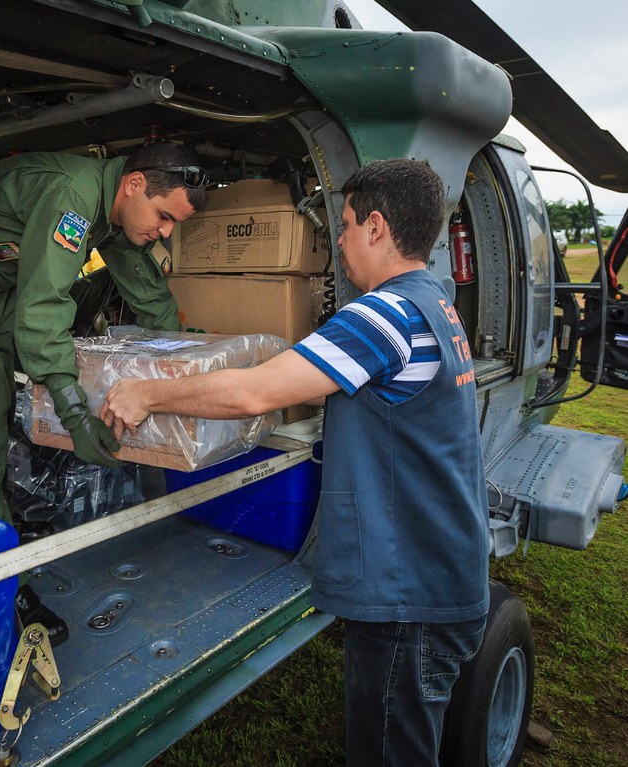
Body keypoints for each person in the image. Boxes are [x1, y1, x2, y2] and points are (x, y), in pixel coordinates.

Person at [101, 158, 489, 766]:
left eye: (346, 224)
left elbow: (254, 394)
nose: (338, 240)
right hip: (439, 571)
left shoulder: (383, 316)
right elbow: (330, 385)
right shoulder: (433, 303)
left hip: (407, 593)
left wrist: (148, 392)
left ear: (378, 228)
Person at [0, 143, 207, 646]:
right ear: (134, 184)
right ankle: (2, 590)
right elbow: (44, 306)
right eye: (164, 216)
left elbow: (147, 290)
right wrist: (73, 414)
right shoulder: (74, 195)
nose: (166, 232)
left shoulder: (118, 214)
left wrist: (193, 370)